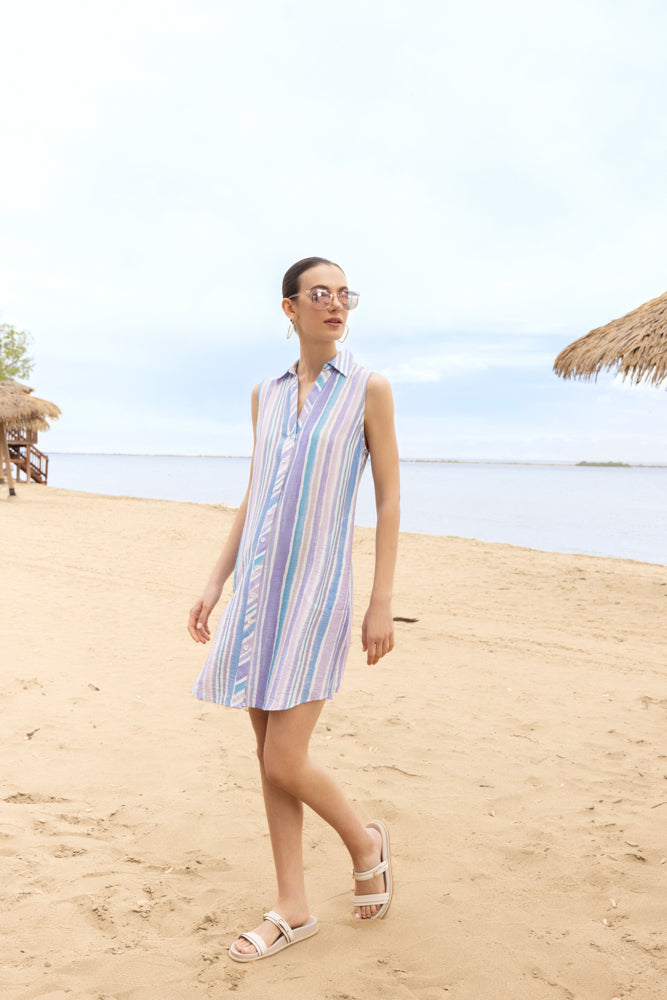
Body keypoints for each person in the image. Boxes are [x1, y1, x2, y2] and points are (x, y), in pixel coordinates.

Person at [188, 256, 400, 963]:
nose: (335, 305)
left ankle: (362, 841)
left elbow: (389, 500)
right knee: (266, 757)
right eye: (320, 294)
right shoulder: (267, 395)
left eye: (344, 294)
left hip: (317, 594)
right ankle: (293, 906)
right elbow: (256, 494)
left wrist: (380, 601)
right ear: (290, 309)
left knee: (286, 758)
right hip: (257, 590)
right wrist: (216, 580)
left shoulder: (369, 388)